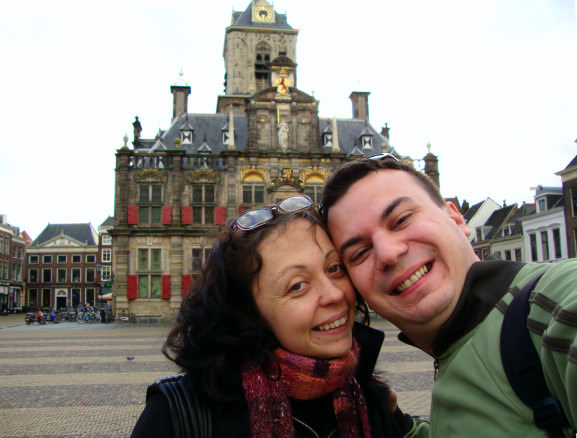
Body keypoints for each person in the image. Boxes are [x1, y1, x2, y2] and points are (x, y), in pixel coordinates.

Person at [320, 154, 577, 437]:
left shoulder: (551, 307)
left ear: (456, 218)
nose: (389, 253)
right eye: (360, 253)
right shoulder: (456, 347)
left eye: (402, 219)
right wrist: (398, 424)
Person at [131, 195, 426, 438]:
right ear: (249, 310)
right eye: (297, 286)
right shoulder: (176, 417)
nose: (334, 294)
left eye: (334, 268)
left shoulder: (373, 401)